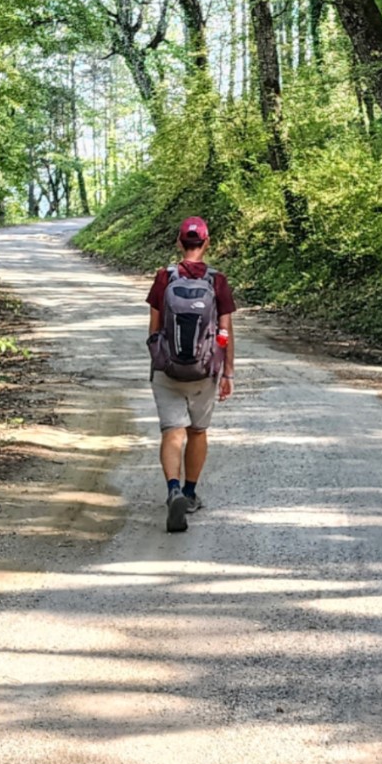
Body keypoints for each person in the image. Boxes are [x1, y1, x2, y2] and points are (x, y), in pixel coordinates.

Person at [146, 215, 235, 533]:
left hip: (168, 369)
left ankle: (172, 489)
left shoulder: (163, 278)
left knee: (172, 431)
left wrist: (159, 363)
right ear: (207, 242)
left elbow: (154, 329)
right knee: (197, 432)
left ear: (179, 242)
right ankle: (190, 493)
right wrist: (227, 372)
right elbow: (224, 332)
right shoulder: (217, 281)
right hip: (204, 371)